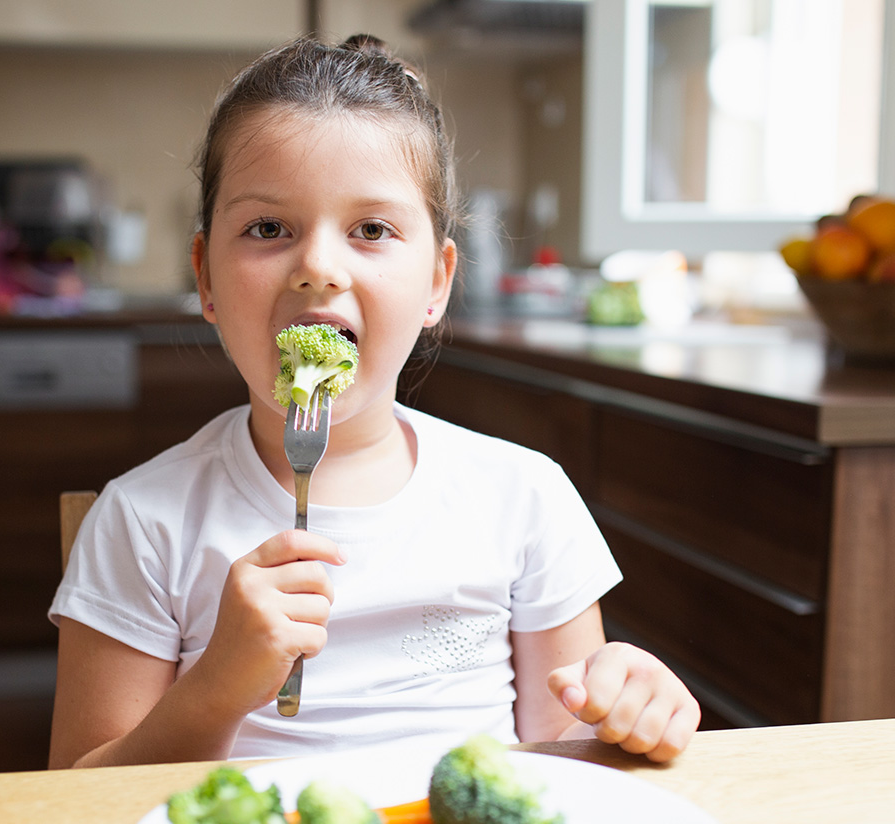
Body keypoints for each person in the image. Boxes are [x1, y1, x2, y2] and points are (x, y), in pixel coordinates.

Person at [48, 35, 699, 770]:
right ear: (204, 276)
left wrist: (627, 712)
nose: (319, 267)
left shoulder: (524, 497)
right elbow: (75, 798)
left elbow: (567, 759)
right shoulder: (143, 522)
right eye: (268, 229)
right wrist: (216, 689)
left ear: (437, 281)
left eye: (371, 230)